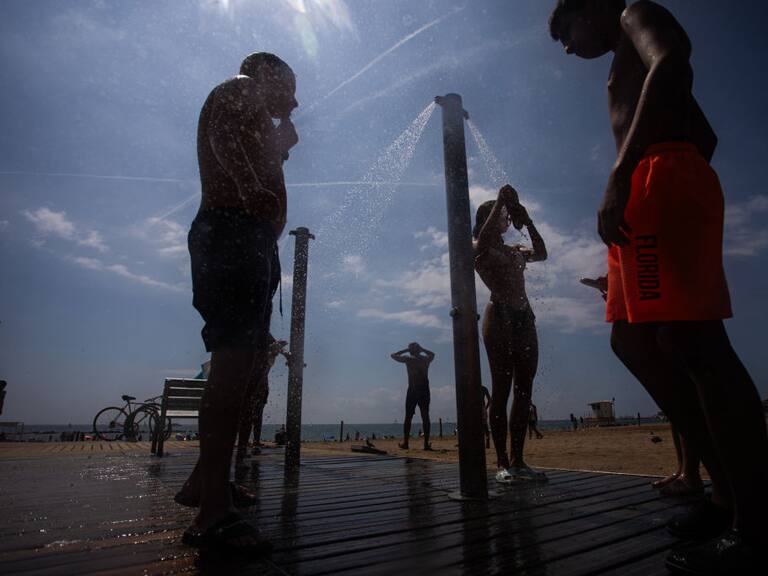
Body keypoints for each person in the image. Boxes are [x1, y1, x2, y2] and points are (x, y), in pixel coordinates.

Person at [550, 1, 768, 572]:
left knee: (696, 342)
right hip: (653, 182)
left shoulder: (633, 12)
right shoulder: (618, 60)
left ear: (588, 7)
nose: (567, 48)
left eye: (564, 31)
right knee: (634, 341)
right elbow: (708, 132)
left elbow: (673, 60)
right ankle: (724, 495)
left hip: (653, 177)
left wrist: (633, 170)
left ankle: (757, 518)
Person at [176, 52, 298, 555]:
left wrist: (280, 138)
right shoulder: (241, 85)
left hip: (247, 236)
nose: (293, 97)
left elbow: (259, 156)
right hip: (232, 230)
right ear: (269, 73)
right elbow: (226, 142)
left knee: (244, 364)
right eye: (290, 85)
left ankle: (204, 484)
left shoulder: (255, 111)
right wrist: (251, 186)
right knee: (233, 364)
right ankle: (212, 518)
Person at [582, 274, 703, 496]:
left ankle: (700, 477)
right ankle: (685, 470)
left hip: (658, 286)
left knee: (680, 387)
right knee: (675, 391)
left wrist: (621, 283)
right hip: (648, 286)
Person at [474, 184, 548, 483]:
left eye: (505, 214)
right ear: (488, 216)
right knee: (502, 388)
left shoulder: (514, 250)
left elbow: (542, 254)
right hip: (500, 315)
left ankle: (519, 461)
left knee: (524, 387)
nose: (506, 218)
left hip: (524, 317)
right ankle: (502, 462)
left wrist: (527, 220)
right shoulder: (479, 244)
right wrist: (501, 201)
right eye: (501, 214)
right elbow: (483, 242)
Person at [235, 336, 288, 465]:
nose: (279, 350)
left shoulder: (271, 354)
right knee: (249, 415)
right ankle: (243, 447)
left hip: (261, 385)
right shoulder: (263, 353)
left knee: (257, 414)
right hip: (254, 384)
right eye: (277, 348)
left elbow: (279, 349)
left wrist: (286, 354)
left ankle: (254, 442)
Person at [391, 342, 435, 451]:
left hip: (413, 390)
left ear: (411, 350)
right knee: (425, 416)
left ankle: (406, 443)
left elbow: (393, 355)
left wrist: (406, 350)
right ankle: (425, 444)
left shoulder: (408, 359)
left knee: (409, 417)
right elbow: (433, 354)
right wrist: (422, 348)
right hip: (424, 390)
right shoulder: (425, 359)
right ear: (419, 350)